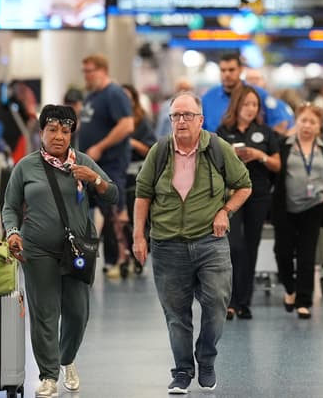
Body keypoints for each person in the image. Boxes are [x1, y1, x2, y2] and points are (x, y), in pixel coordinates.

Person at [132, 92, 252, 394]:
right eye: (175, 116)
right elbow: (143, 195)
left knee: (216, 305)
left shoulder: (217, 149)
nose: (181, 121)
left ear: (201, 120)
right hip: (167, 245)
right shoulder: (159, 152)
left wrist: (225, 211)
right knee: (176, 315)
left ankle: (206, 360)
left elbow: (244, 186)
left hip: (210, 242)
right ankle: (183, 371)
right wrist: (138, 236)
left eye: (187, 115)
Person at [2, 104, 116, 397]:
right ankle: (48, 375)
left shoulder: (84, 163)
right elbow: (11, 207)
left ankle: (67, 359)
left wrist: (95, 180)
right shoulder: (25, 167)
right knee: (45, 313)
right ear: (41, 133)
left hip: (76, 250)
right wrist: (13, 232)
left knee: (78, 312)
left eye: (65, 131)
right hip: (37, 249)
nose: (59, 137)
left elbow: (113, 194)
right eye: (52, 130)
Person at [215, 85, 281, 320]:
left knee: (251, 247)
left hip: (258, 195)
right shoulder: (224, 131)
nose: (250, 109)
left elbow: (277, 164)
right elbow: (212, 160)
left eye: (254, 105)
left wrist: (258, 155)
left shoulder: (265, 132)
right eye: (246, 104)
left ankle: (244, 302)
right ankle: (229, 300)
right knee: (234, 246)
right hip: (232, 195)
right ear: (236, 106)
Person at [273, 103, 323, 320]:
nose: (307, 126)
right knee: (282, 252)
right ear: (296, 122)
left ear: (319, 126)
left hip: (313, 207)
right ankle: (290, 289)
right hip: (286, 208)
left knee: (306, 255)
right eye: (303, 121)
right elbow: (276, 174)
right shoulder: (284, 145)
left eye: (312, 122)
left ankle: (304, 301)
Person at [77, 54, 134, 278]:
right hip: (92, 165)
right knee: (98, 210)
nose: (86, 76)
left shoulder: (114, 94)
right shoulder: (92, 96)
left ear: (102, 69)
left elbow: (127, 125)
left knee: (114, 210)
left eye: (89, 71)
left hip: (110, 164)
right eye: (84, 71)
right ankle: (106, 258)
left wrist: (100, 146)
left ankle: (122, 258)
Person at [201, 53, 293, 135]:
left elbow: (282, 120)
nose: (227, 74)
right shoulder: (208, 98)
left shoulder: (258, 94)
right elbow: (200, 129)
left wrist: (270, 145)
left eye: (231, 70)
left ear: (241, 70)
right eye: (223, 70)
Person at [122, 83, 157, 276]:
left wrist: (132, 143)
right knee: (121, 220)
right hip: (118, 175)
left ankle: (141, 251)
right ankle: (123, 256)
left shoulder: (141, 121)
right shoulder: (111, 120)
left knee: (138, 217)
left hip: (137, 175)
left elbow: (151, 149)